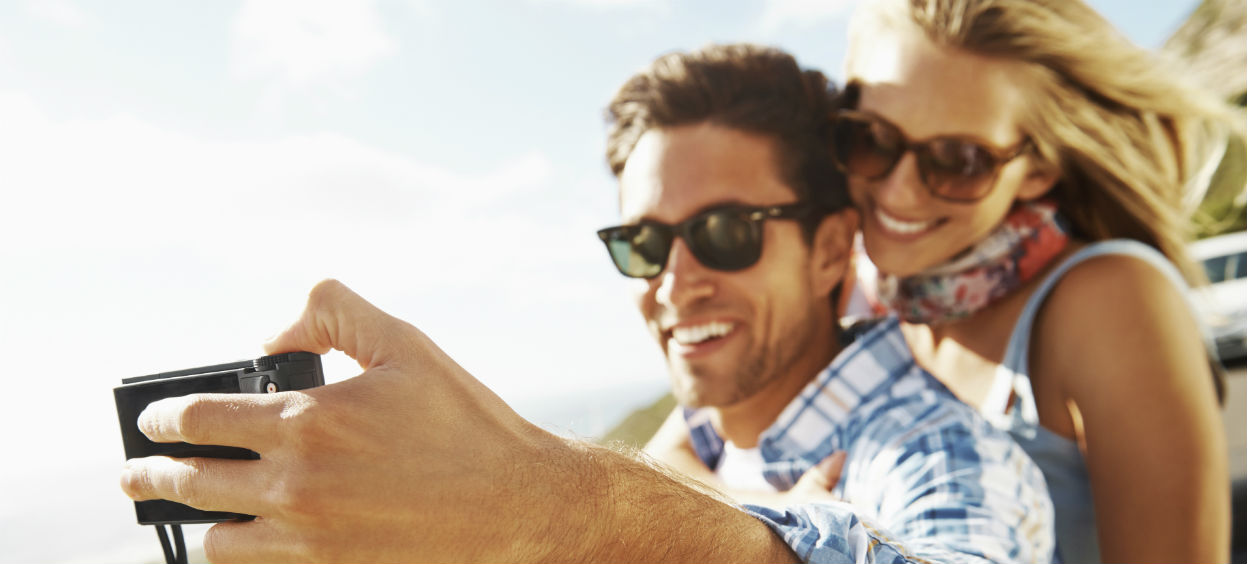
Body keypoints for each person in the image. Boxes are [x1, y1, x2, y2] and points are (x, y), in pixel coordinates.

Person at [118, 44, 1054, 563]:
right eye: (643, 242)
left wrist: (561, 505)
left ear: (829, 249)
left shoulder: (934, 452)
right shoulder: (704, 450)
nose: (675, 280)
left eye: (726, 232)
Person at [828, 0, 1233, 561]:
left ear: (1038, 168)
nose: (897, 191)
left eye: (960, 159)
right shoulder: (849, 293)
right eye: (870, 138)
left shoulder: (1108, 299)